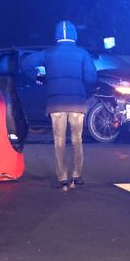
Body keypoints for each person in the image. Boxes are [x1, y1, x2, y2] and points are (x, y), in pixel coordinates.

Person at [21, 20, 97, 191]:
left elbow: (25, 64)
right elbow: (91, 78)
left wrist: (38, 78)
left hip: (56, 103)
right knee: (77, 140)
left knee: (59, 141)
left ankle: (62, 178)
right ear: (74, 34)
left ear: (56, 35)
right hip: (77, 103)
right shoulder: (82, 53)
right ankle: (76, 176)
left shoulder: (49, 53)